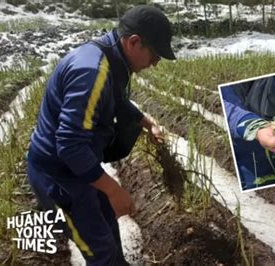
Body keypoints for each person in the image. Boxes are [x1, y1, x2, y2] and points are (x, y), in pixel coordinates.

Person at [26, 6, 175, 265]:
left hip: (79, 170)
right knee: (99, 251)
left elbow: (116, 98)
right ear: (134, 42)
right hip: (60, 178)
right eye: (154, 55)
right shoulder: (91, 72)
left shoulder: (110, 58)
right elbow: (70, 145)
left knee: (107, 222)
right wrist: (114, 189)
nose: (155, 63)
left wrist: (146, 122)